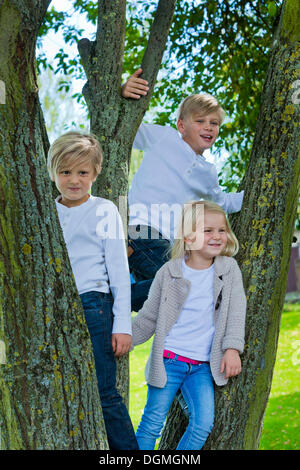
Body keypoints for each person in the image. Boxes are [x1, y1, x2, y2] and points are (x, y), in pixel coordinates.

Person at [47, 131, 138, 450]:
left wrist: (122, 325)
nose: (74, 180)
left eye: (83, 172)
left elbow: (118, 270)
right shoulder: (48, 212)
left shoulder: (104, 210)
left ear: (96, 173)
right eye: (65, 172)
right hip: (54, 308)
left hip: (94, 305)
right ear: (53, 173)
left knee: (104, 393)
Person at [131, 200, 247, 450]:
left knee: (203, 424)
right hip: (168, 361)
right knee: (152, 423)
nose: (217, 236)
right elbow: (150, 315)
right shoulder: (169, 271)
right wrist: (123, 337)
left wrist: (232, 348)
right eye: (208, 231)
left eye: (222, 230)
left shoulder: (229, 270)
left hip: (202, 367)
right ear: (189, 237)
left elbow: (237, 310)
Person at [122, 69, 244, 302]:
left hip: (165, 244)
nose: (208, 127)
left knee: (170, 292)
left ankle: (124, 292)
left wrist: (253, 195)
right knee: (179, 289)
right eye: (200, 121)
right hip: (140, 229)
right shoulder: (164, 138)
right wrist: (125, 93)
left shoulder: (207, 172)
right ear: (181, 126)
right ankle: (114, 300)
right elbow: (125, 129)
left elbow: (221, 202)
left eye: (214, 123)